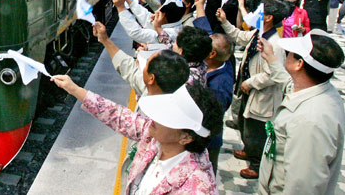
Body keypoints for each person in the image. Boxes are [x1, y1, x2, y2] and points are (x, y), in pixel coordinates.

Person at [52, 72, 222, 194]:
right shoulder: (154, 137)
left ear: (186, 137)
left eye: (167, 117)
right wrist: (74, 89)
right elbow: (118, 115)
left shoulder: (199, 187)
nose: (155, 116)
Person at [257, 31, 345, 195]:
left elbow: (303, 186)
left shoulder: (310, 121)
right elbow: (289, 84)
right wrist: (270, 58)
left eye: (290, 53)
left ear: (299, 64)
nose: (287, 55)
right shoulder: (317, 89)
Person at [216, 0, 287, 179]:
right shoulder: (259, 33)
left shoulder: (275, 44)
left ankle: (257, 164)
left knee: (257, 129)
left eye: (259, 12)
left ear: (268, 17)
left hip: (262, 93)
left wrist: (251, 82)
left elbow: (274, 74)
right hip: (248, 89)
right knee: (245, 121)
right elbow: (240, 36)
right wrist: (224, 21)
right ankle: (249, 150)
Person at [92, 21, 189, 97]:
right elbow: (129, 69)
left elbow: (130, 70)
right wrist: (105, 40)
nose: (139, 65)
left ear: (152, 78)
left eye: (146, 65)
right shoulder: (163, 89)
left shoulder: (148, 108)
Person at [205, 33, 235, 174]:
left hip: (207, 140)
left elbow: (212, 115)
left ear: (212, 54)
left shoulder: (219, 85)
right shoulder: (217, 64)